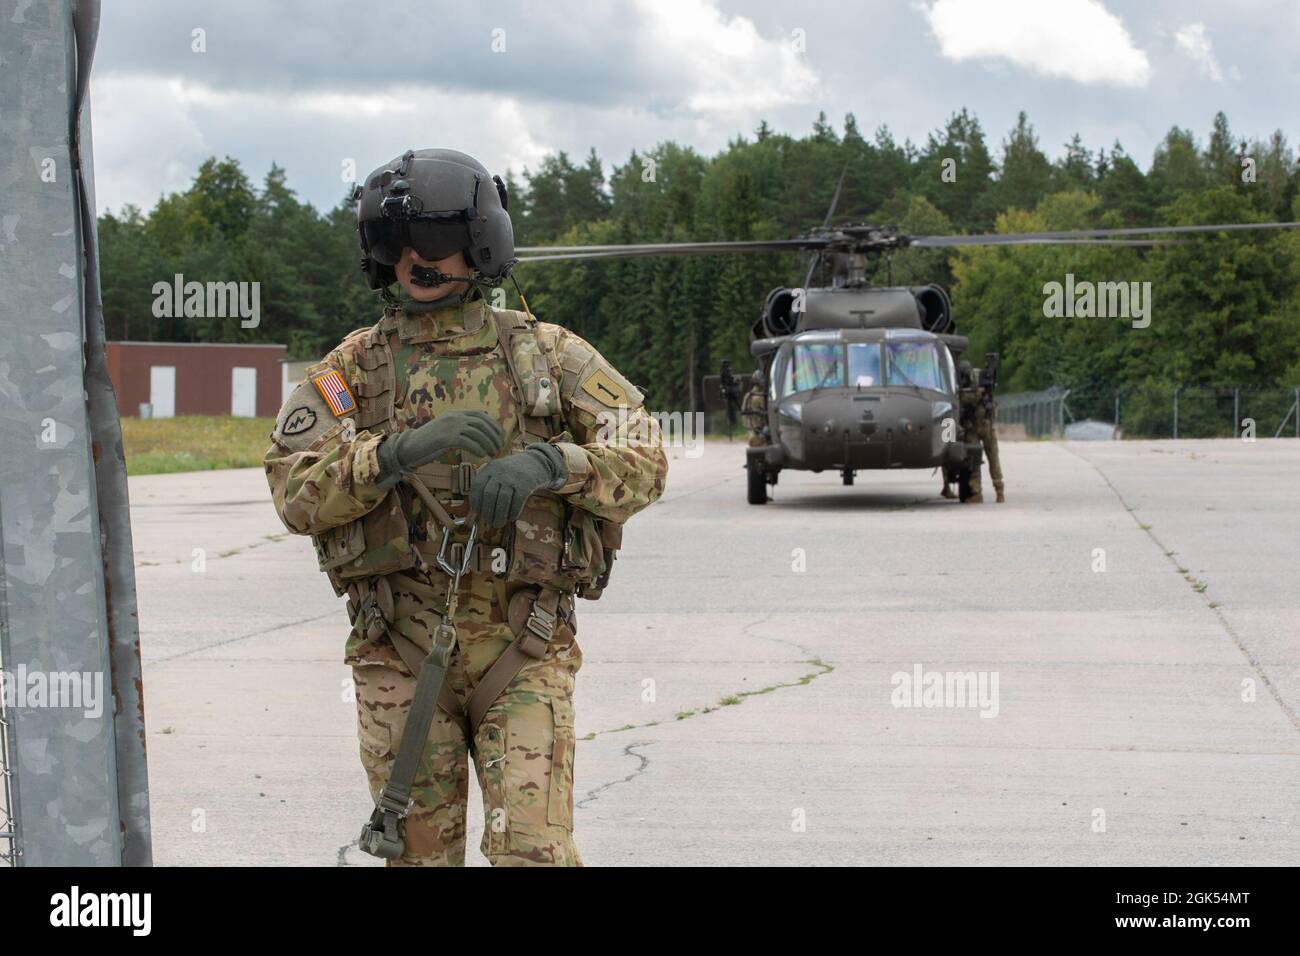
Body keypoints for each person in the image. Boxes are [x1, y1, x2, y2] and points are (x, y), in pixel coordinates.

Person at [264, 148, 667, 866]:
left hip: (524, 646)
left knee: (535, 851)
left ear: (482, 245)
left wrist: (554, 463)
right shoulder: (352, 369)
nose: (419, 258)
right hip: (398, 649)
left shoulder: (549, 357)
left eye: (442, 241)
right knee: (417, 856)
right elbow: (294, 491)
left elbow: (644, 461)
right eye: (399, 243)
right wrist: (389, 455)